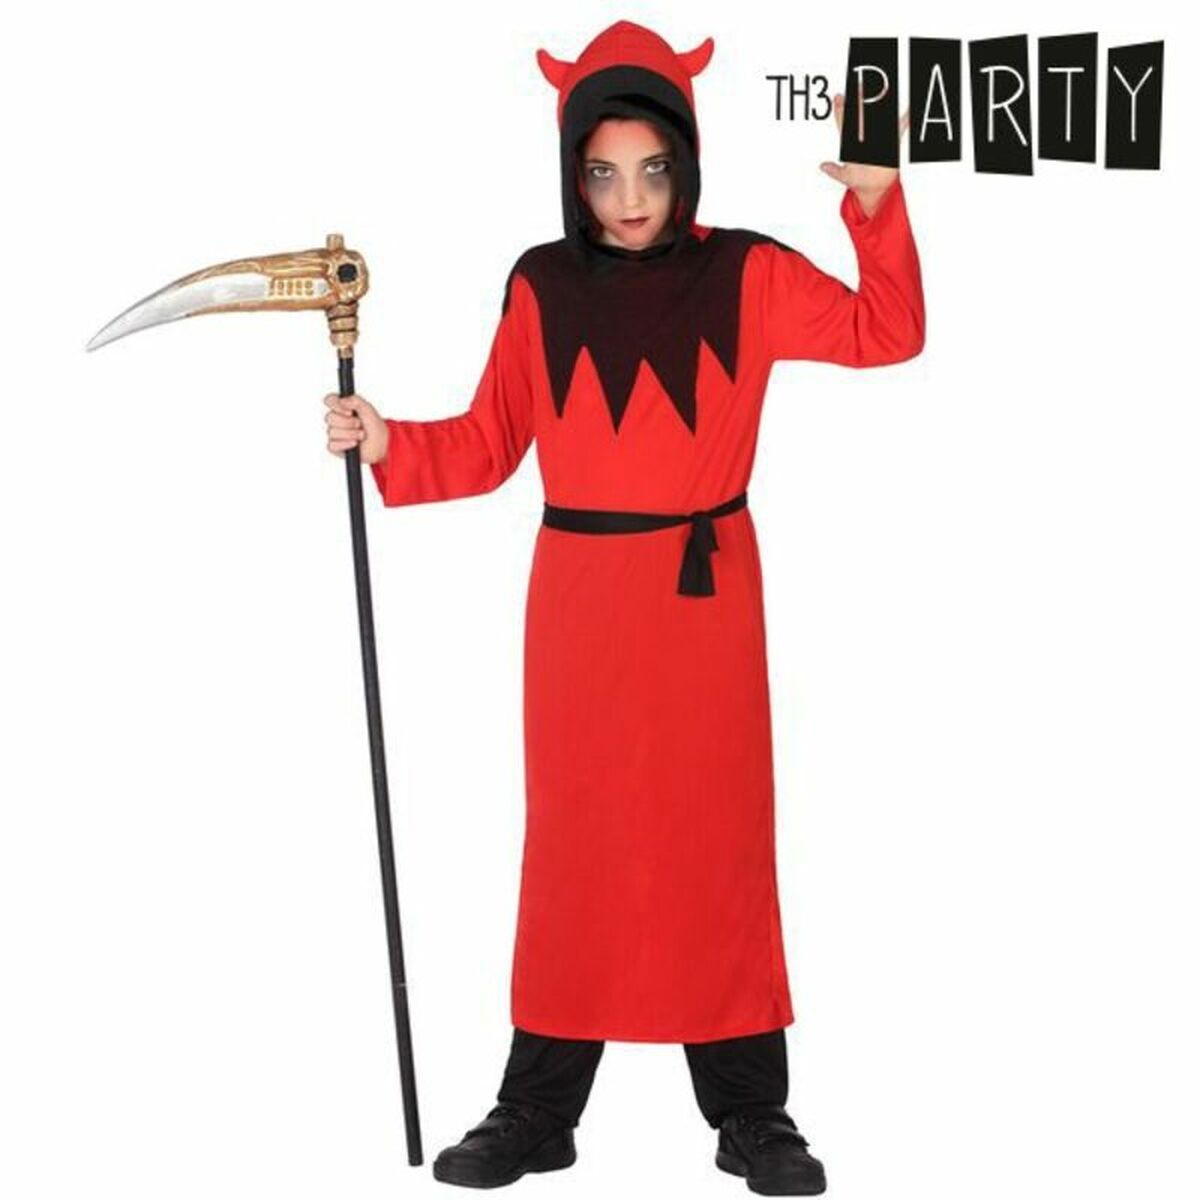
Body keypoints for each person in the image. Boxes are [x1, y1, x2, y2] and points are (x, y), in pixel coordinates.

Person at [323, 20, 923, 1196]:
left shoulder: (748, 274)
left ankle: (751, 1113)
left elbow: (885, 332)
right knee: (578, 850)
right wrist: (389, 438)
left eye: (652, 168)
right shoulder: (542, 285)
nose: (631, 197)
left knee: (714, 841)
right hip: (581, 607)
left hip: (706, 601)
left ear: (687, 160)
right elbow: (491, 440)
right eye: (603, 173)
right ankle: (539, 1109)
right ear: (572, 173)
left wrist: (875, 201)